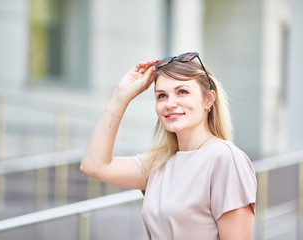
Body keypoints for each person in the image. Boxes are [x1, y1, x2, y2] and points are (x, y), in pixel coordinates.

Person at [80, 52, 257, 240]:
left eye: (182, 92)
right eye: (162, 96)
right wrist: (121, 96)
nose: (170, 104)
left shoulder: (225, 158)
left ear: (208, 100)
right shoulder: (158, 164)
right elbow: (93, 165)